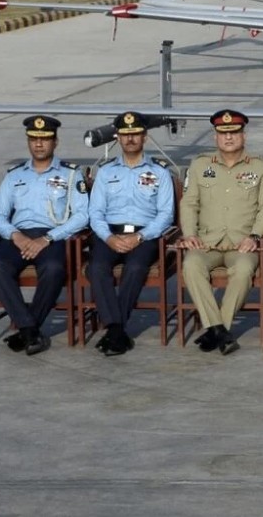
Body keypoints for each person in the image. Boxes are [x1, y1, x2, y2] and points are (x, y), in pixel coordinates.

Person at [0, 114, 88, 355]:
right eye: (33, 139)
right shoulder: (14, 175)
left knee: (53, 269)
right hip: (18, 236)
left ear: (55, 142)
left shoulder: (70, 174)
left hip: (53, 236)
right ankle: (30, 330)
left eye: (45, 139)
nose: (39, 144)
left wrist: (48, 238)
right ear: (28, 142)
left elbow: (82, 215)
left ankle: (26, 330)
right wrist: (16, 236)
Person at [176, 110, 263, 356]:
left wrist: (256, 236)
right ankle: (220, 330)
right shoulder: (200, 165)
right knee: (191, 265)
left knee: (243, 270)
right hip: (206, 242)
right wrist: (189, 233)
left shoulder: (261, 167)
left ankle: (217, 329)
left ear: (244, 136)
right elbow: (189, 203)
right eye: (223, 133)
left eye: (234, 132)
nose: (228, 137)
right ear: (215, 137)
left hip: (243, 243)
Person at [87, 111, 176, 357]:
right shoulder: (106, 172)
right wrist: (109, 237)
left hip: (144, 234)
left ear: (144, 137)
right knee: (96, 267)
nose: (130, 139)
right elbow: (95, 212)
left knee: (136, 268)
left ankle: (114, 329)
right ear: (117, 137)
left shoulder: (159, 171)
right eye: (125, 135)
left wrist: (139, 236)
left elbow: (166, 214)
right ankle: (117, 330)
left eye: (135, 134)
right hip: (110, 232)